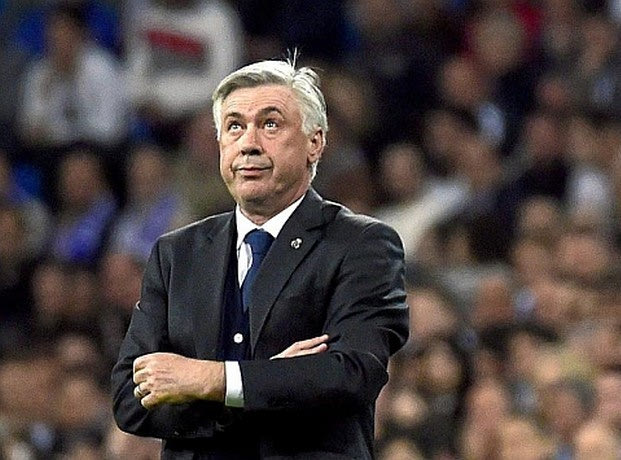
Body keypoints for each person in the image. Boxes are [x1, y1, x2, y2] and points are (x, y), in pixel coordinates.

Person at [111, 58, 409, 459]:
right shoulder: (176, 254)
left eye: (270, 124)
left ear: (315, 143)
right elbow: (130, 401)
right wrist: (267, 384)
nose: (249, 144)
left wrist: (209, 379)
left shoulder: (362, 244)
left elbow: (350, 374)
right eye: (234, 126)